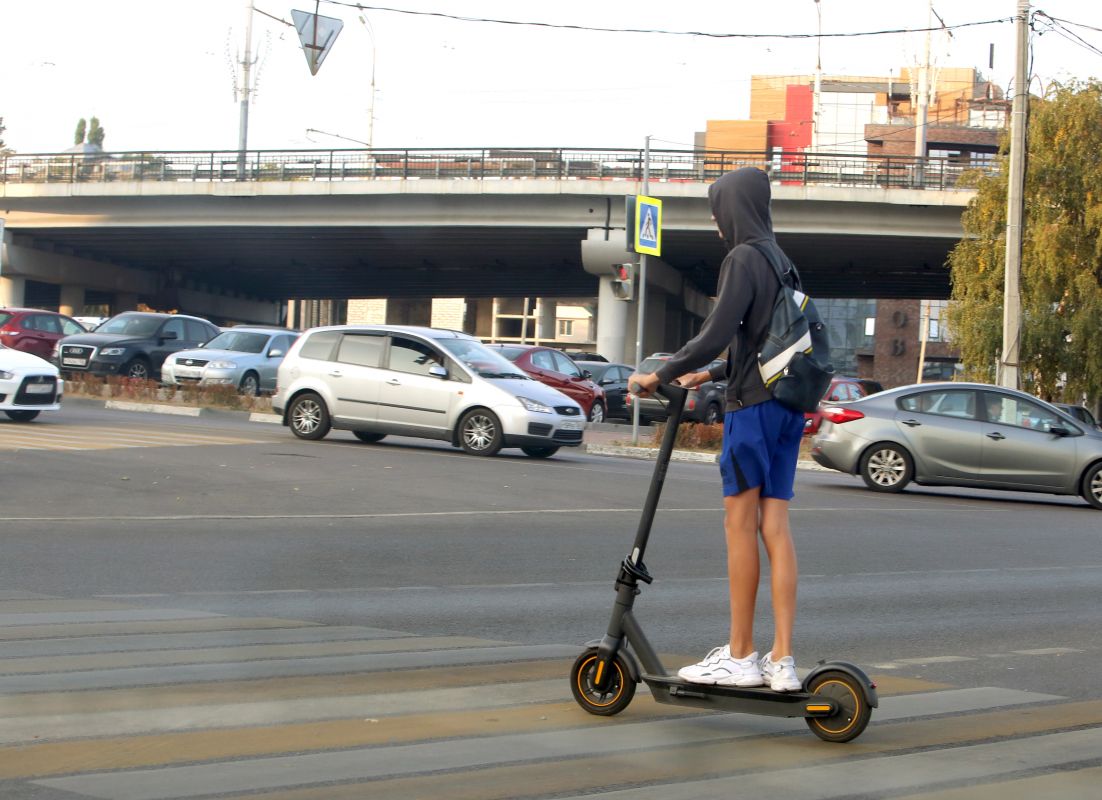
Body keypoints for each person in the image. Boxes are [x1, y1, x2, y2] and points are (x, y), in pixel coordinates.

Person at [628, 167, 806, 692]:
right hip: (787, 410)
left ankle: (741, 653)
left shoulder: (743, 257)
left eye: (717, 209)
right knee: (775, 527)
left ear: (734, 210)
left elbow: (717, 331)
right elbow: (766, 344)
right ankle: (783, 660)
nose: (715, 220)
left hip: (751, 409)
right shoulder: (784, 263)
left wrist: (657, 374)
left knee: (738, 525)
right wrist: (706, 374)